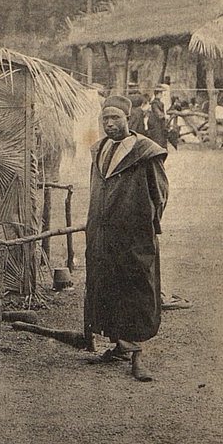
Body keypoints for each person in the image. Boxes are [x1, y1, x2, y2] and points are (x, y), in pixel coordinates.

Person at [84, 95, 168, 382]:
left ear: (128, 119)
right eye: (105, 119)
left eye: (115, 118)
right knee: (107, 286)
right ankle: (118, 346)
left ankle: (136, 354)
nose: (110, 124)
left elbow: (160, 194)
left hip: (133, 237)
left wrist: (145, 225)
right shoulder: (100, 149)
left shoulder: (145, 151)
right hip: (103, 235)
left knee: (135, 288)